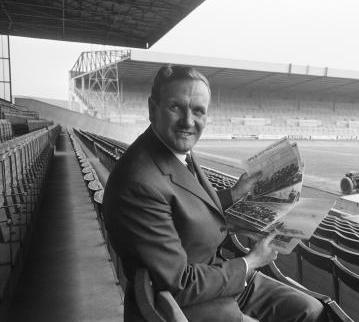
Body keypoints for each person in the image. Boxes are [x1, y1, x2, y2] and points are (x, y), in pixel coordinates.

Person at [103, 65, 327, 322]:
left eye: (198, 111)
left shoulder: (172, 148)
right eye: (175, 107)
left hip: (214, 277)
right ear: (152, 109)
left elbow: (183, 207)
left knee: (310, 309)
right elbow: (180, 284)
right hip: (190, 302)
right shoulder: (138, 183)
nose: (188, 121)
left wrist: (233, 194)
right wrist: (251, 261)